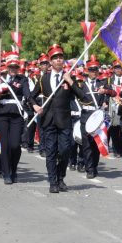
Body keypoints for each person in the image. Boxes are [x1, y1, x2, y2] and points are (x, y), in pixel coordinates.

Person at [30, 44, 84, 194]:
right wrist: (34, 106)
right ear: (50, 61)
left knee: (65, 150)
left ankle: (61, 176)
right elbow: (31, 97)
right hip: (48, 120)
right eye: (55, 58)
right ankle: (53, 181)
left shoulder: (69, 77)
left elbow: (82, 96)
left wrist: (70, 81)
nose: (59, 60)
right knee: (51, 152)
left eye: (61, 57)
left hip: (65, 120)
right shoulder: (43, 79)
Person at [0, 51, 30, 185]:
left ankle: (14, 169)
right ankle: (7, 173)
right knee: (5, 145)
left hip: (16, 114)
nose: (13, 69)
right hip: (1, 114)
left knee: (15, 145)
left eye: (15, 67)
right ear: (7, 67)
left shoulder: (22, 79)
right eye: (11, 67)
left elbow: (27, 93)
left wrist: (32, 102)